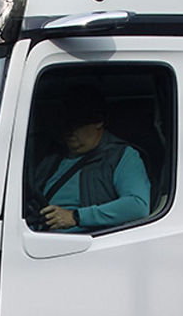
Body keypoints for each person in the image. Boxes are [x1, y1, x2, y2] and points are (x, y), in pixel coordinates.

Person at [31, 90, 150, 231]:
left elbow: (138, 206)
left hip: (88, 245)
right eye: (65, 124)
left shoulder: (122, 156)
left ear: (98, 122)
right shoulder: (51, 160)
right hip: (35, 239)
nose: (69, 131)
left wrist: (76, 217)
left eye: (77, 124)